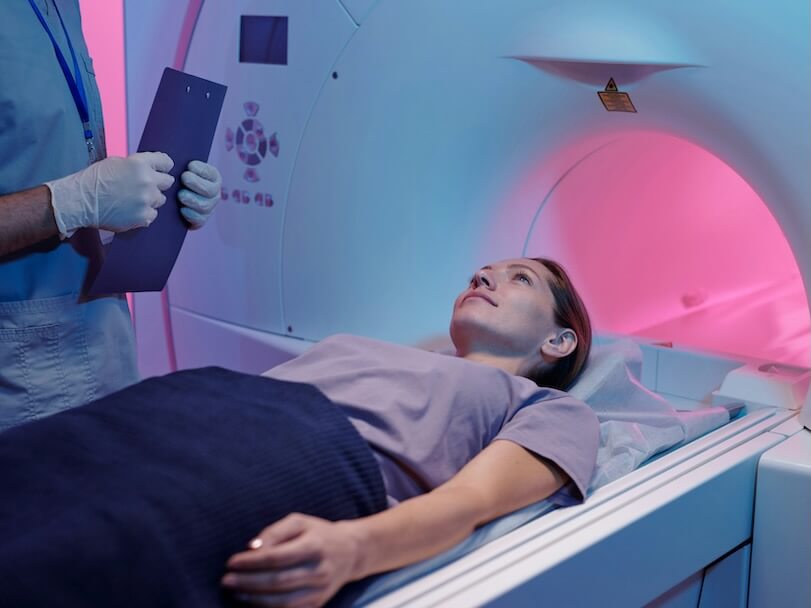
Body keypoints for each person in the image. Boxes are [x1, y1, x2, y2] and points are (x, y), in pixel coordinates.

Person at [221, 257, 600, 607]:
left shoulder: (551, 407)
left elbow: (471, 500)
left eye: (520, 278)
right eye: (479, 274)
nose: (482, 277)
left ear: (559, 341)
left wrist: (352, 550)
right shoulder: (395, 355)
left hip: (286, 458)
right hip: (212, 400)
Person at [0, 0, 222, 430]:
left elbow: (42, 158)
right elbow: (69, 196)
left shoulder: (62, 8)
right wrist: (71, 201)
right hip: (21, 373)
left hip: (105, 345)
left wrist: (151, 197)